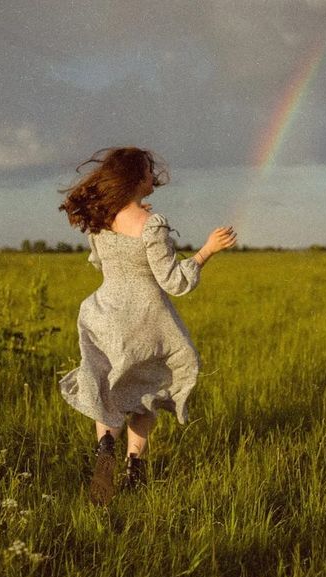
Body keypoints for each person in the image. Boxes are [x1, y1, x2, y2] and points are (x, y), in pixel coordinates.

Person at [58, 146, 237, 505]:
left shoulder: (102, 218)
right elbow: (173, 282)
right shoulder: (152, 224)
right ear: (136, 179)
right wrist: (207, 251)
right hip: (145, 319)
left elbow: (100, 262)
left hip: (104, 313)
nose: (153, 176)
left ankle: (105, 448)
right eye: (148, 171)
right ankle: (134, 465)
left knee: (107, 387)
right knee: (149, 391)